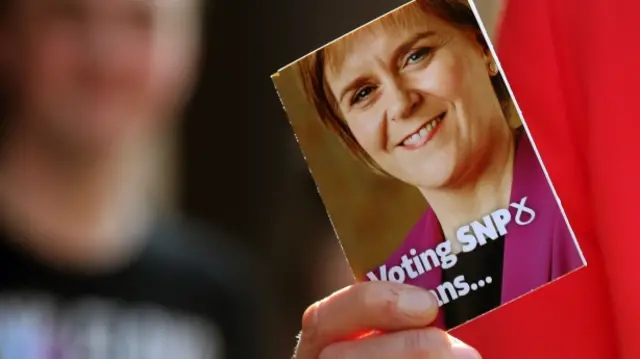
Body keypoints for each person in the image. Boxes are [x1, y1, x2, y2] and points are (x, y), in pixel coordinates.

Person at [294, 0, 640, 357]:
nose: (401, 104)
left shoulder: (592, 204)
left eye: (417, 55)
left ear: (483, 50)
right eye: (363, 93)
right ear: (354, 140)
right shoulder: (383, 305)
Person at [0, 0, 266, 358]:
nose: (104, 57)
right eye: (69, 15)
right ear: (11, 34)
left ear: (189, 50)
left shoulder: (217, 298)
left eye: (141, 22)